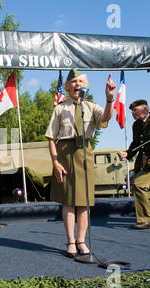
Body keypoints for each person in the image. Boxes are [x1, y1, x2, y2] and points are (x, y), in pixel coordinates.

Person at [45, 69, 116, 258]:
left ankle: (81, 241)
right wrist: (55, 162)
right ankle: (70, 241)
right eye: (73, 82)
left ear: (84, 85)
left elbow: (106, 118)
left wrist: (109, 99)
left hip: (85, 153)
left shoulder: (90, 107)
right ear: (67, 87)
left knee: (84, 203)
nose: (77, 84)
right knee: (68, 202)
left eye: (80, 81)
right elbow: (51, 137)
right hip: (66, 154)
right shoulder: (60, 108)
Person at [117, 99, 150, 229]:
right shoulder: (136, 125)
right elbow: (136, 144)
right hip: (142, 162)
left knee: (139, 185)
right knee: (140, 188)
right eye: (132, 111)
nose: (133, 113)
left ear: (145, 109)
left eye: (135, 110)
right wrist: (128, 153)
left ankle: (145, 220)